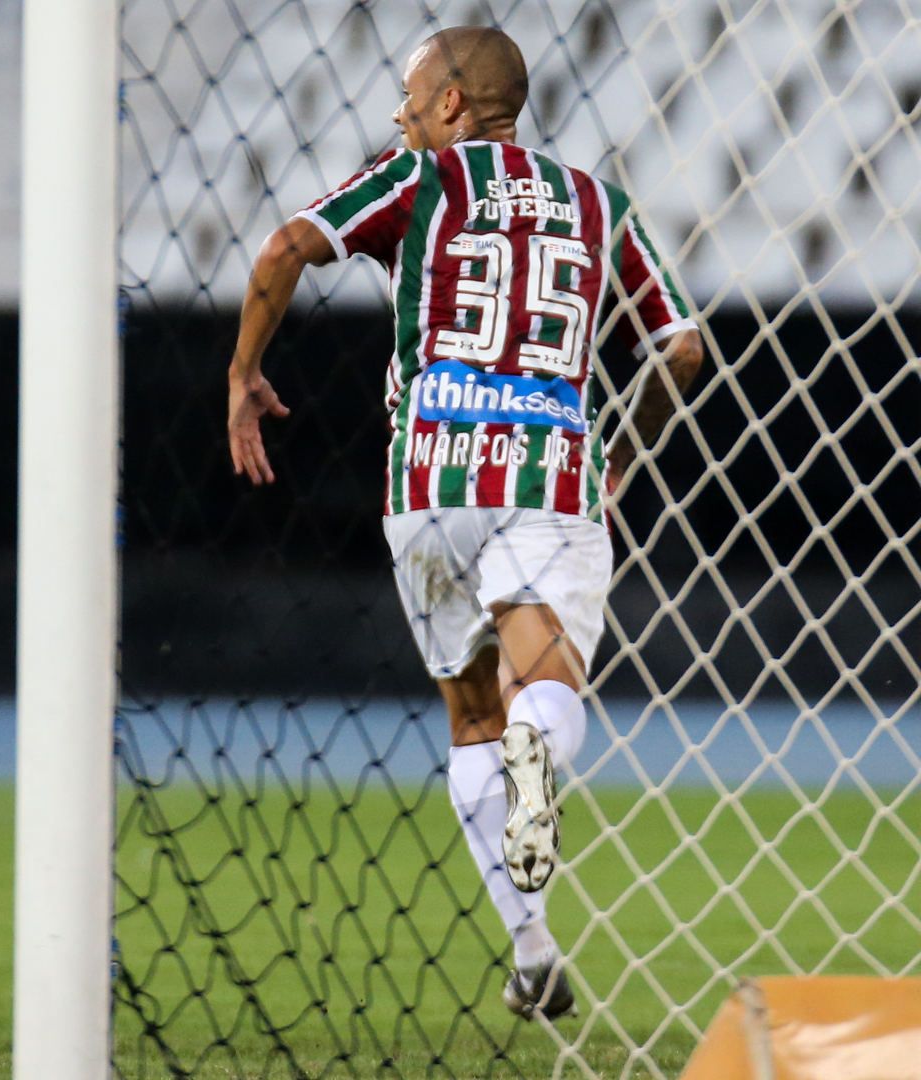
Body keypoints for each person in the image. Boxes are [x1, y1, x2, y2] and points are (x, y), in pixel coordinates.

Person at [225, 26, 705, 1021]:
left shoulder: (421, 177)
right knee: (544, 683)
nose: (399, 117)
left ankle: (532, 955)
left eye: (407, 100)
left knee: (472, 717)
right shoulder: (597, 203)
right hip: (548, 468)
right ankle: (542, 747)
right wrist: (624, 447)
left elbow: (282, 249)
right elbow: (683, 347)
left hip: (431, 475)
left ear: (450, 105)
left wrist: (241, 375)